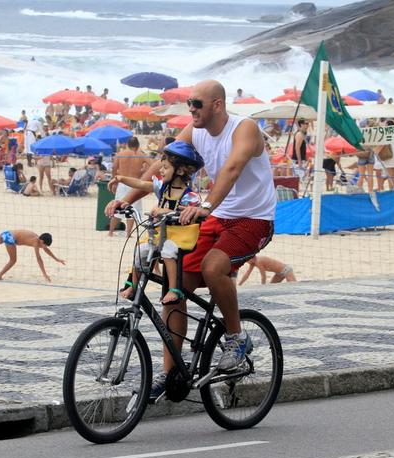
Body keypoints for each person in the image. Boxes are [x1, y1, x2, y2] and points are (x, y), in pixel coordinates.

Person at [106, 79, 276, 399]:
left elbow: (233, 168)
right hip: (216, 217)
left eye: (197, 104)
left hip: (253, 219)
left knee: (214, 268)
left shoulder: (245, 129)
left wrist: (207, 205)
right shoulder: (195, 131)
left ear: (217, 105)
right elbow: (163, 166)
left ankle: (237, 337)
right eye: (189, 104)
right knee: (175, 286)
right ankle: (171, 375)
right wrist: (127, 200)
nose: (191, 109)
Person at [116, 141, 204, 305]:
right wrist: (121, 178)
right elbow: (142, 184)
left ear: (180, 170)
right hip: (161, 233)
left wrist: (165, 211)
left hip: (181, 236)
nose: (160, 171)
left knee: (167, 250)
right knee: (140, 250)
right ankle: (133, 286)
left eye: (165, 167)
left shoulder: (190, 196)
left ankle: (173, 288)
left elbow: (189, 214)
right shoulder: (162, 188)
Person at [0, 230, 65, 281]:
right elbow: (39, 259)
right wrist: (45, 275)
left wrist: (56, 259)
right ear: (41, 241)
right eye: (44, 244)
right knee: (13, 260)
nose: (44, 247)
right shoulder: (35, 242)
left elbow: (46, 249)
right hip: (11, 239)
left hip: (7, 233)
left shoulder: (39, 239)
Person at [107, 136, 153, 237]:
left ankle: (110, 232)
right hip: (134, 183)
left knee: (117, 208)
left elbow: (114, 168)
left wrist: (114, 182)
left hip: (122, 183)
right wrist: (144, 173)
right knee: (132, 209)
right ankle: (128, 233)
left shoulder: (120, 154)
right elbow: (153, 165)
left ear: (128, 144)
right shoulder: (141, 155)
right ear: (138, 145)